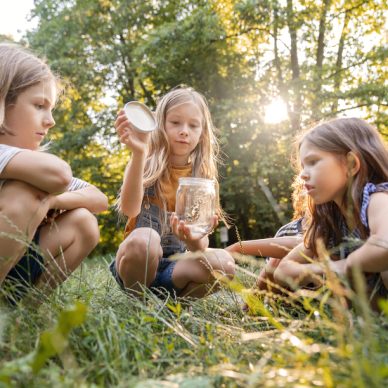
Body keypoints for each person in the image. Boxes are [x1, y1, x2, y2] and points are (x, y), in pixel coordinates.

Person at [0, 43, 108, 304]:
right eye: (39, 105)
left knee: (84, 222)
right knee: (27, 193)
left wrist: (52, 201)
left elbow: (99, 199)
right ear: (3, 100)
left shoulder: (31, 165)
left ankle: (20, 316)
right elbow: (58, 175)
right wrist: (43, 196)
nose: (51, 120)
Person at [110, 87, 235, 298]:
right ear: (160, 125)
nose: (184, 130)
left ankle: (172, 305)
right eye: (175, 123)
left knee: (224, 263)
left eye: (193, 125)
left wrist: (192, 238)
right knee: (145, 238)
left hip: (175, 269)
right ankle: (139, 304)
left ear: (202, 132)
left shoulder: (203, 180)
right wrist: (139, 153)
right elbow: (129, 208)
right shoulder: (145, 163)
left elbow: (200, 247)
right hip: (136, 265)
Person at [273, 117, 388, 305]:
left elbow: (384, 245)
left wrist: (348, 265)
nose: (302, 174)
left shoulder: (377, 198)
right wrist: (331, 269)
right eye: (303, 165)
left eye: (312, 161)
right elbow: (283, 271)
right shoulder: (332, 219)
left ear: (351, 165)